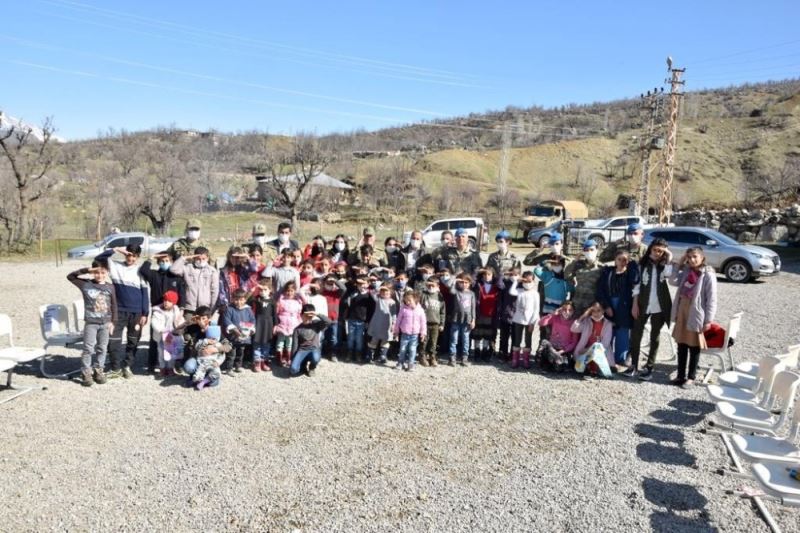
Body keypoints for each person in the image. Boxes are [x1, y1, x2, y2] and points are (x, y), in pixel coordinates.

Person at [669, 247, 718, 389]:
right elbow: (672, 281)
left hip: (696, 313)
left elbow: (712, 299)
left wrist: (708, 320)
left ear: (702, 257)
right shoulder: (686, 270)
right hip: (682, 309)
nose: (692, 259)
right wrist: (680, 263)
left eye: (695, 256)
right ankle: (680, 375)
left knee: (694, 346)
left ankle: (691, 377)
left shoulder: (707, 274)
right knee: (681, 344)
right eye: (689, 257)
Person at [99, 244, 150, 379]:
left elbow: (145, 293)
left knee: (133, 341)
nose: (130, 258)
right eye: (128, 254)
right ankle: (115, 368)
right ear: (124, 254)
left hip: (136, 313)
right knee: (113, 340)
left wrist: (145, 313)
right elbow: (99, 258)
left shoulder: (140, 271)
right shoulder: (115, 266)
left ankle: (127, 366)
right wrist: (115, 250)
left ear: (138, 257)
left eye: (134, 256)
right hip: (118, 312)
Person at [627, 238, 674, 380]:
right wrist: (634, 304)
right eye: (655, 250)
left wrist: (669, 257)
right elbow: (636, 286)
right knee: (636, 334)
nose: (657, 253)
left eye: (661, 251)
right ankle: (633, 365)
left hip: (659, 306)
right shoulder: (641, 264)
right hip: (642, 304)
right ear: (650, 249)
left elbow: (669, 275)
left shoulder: (664, 265)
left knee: (655, 336)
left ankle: (649, 367)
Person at [67, 262, 118, 386]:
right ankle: (86, 372)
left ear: (107, 273)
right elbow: (70, 277)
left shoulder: (110, 287)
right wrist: (87, 270)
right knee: (88, 348)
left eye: (102, 272)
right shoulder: (86, 284)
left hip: (105, 323)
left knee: (102, 348)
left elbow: (114, 305)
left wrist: (113, 322)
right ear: (92, 272)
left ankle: (99, 370)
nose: (99, 275)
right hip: (91, 323)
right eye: (96, 272)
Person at [139, 252, 185, 373]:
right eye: (161, 261)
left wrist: (181, 310)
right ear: (158, 262)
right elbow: (143, 270)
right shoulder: (154, 274)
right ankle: (152, 363)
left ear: (171, 261)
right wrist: (151, 257)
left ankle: (172, 365)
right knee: (155, 339)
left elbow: (182, 294)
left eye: (166, 261)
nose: (164, 263)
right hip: (158, 312)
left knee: (173, 339)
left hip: (172, 312)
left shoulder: (176, 276)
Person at [596, 250, 640, 370]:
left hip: (624, 307)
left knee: (622, 333)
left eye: (625, 259)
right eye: (619, 259)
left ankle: (620, 360)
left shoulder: (630, 273)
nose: (622, 262)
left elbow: (636, 281)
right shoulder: (608, 272)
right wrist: (606, 306)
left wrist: (632, 265)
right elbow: (600, 290)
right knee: (607, 332)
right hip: (609, 303)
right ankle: (606, 358)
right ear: (615, 260)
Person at [170, 247, 220, 321]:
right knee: (189, 330)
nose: (201, 261)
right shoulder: (187, 268)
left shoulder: (212, 271)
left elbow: (214, 291)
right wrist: (183, 258)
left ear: (207, 258)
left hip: (205, 308)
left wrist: (212, 309)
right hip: (190, 308)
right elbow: (173, 269)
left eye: (203, 259)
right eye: (198, 259)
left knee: (203, 331)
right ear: (194, 258)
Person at [571, 302, 615, 378]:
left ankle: (604, 371)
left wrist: (587, 350)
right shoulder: (587, 321)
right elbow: (573, 329)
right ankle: (589, 370)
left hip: (601, 355)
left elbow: (605, 344)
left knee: (597, 345)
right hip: (585, 356)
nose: (596, 313)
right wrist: (583, 316)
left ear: (603, 311)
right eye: (593, 311)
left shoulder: (608, 324)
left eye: (599, 310)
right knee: (578, 369)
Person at [508, 271, 540, 369]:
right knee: (517, 339)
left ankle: (526, 359)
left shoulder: (535, 293)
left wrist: (532, 323)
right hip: (518, 319)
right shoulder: (520, 290)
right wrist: (516, 281)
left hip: (529, 321)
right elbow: (511, 291)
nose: (528, 282)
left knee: (528, 339)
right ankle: (515, 359)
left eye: (530, 280)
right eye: (526, 280)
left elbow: (536, 309)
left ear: (533, 281)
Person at [290, 304, 332, 377]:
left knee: (316, 358)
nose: (307, 317)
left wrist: (317, 314)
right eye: (305, 315)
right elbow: (294, 346)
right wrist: (293, 359)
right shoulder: (297, 329)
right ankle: (303, 364)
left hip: (314, 348)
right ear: (301, 315)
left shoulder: (316, 324)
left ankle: (312, 367)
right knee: (293, 370)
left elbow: (328, 322)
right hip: (302, 350)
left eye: (310, 315)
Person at [564, 239, 603, 317]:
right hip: (577, 303)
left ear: (597, 250)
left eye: (592, 249)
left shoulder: (601, 267)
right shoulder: (578, 265)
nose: (589, 252)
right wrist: (575, 261)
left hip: (591, 305)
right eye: (586, 250)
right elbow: (566, 275)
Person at [150, 290, 184, 378]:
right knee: (161, 352)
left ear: (173, 303)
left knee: (172, 353)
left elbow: (181, 321)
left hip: (172, 336)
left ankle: (170, 368)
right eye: (165, 300)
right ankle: (162, 368)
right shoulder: (157, 311)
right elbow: (154, 323)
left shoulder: (176, 311)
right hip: (161, 336)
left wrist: (180, 324)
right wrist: (161, 330)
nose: (166, 302)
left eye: (169, 301)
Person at [537, 301, 578, 372]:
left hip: (563, 351)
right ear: (561, 310)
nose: (567, 312)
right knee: (544, 342)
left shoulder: (574, 323)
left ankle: (553, 363)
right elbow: (541, 323)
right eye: (564, 309)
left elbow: (574, 342)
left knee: (558, 367)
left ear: (573, 311)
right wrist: (552, 314)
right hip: (552, 347)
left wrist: (562, 351)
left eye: (570, 310)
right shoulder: (555, 318)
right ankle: (548, 362)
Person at [446, 273, 477, 366]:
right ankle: (452, 357)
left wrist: (473, 320)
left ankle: (464, 357)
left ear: (470, 283)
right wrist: (455, 279)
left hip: (467, 320)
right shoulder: (456, 291)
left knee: (465, 339)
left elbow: (473, 308)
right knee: (454, 339)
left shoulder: (472, 294)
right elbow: (450, 288)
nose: (464, 284)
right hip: (456, 319)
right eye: (462, 282)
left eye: (466, 282)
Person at [222, 288, 256, 373]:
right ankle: (229, 368)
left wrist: (251, 329)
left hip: (244, 336)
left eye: (241, 300)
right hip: (233, 336)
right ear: (233, 299)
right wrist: (234, 329)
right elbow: (226, 320)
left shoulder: (248, 309)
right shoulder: (230, 309)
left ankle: (238, 366)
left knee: (241, 352)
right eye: (236, 299)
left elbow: (252, 320)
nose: (239, 302)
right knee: (231, 353)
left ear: (245, 299)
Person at [274, 281, 305, 367]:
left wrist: (300, 324)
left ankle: (288, 358)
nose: (289, 293)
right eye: (287, 291)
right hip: (282, 324)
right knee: (280, 343)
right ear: (284, 291)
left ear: (295, 291)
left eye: (291, 291)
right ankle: (279, 359)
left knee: (289, 343)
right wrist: (276, 325)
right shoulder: (281, 301)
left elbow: (299, 314)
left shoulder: (298, 302)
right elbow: (277, 313)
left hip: (293, 325)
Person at [394, 291, 427, 371]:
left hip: (415, 335)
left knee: (412, 350)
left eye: (409, 300)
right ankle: (400, 363)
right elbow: (398, 320)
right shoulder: (403, 309)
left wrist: (423, 333)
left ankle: (410, 364)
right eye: (406, 300)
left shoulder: (420, 310)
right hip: (405, 333)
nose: (407, 302)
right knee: (402, 349)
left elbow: (423, 323)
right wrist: (396, 331)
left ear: (415, 300)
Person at [472, 268, 500, 362]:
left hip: (490, 315)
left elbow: (501, 281)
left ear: (492, 275)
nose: (486, 276)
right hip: (479, 314)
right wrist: (479, 271)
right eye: (484, 275)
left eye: (489, 274)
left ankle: (485, 351)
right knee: (478, 334)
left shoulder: (496, 286)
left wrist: (496, 276)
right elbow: (473, 279)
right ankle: (477, 351)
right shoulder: (478, 285)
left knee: (487, 334)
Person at [367, 285, 398, 364]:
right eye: (383, 291)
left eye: (387, 291)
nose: (385, 293)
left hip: (387, 323)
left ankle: (383, 356)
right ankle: (370, 356)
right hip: (377, 323)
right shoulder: (378, 300)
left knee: (385, 340)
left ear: (390, 293)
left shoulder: (392, 302)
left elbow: (394, 314)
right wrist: (380, 287)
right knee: (374, 339)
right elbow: (372, 292)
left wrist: (394, 323)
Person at [419, 275, 445, 367]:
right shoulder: (423, 294)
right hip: (424, 322)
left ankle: (432, 356)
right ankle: (422, 356)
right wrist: (426, 283)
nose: (431, 287)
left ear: (437, 286)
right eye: (429, 285)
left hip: (435, 323)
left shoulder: (439, 296)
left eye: (433, 285)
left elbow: (442, 311)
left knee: (433, 341)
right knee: (424, 341)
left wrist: (442, 323)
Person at [251, 278, 276, 373]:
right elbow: (249, 298)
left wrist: (275, 325)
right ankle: (257, 362)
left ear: (270, 290)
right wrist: (255, 288)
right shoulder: (257, 299)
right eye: (261, 290)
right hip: (258, 323)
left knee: (267, 343)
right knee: (257, 343)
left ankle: (264, 361)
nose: (263, 292)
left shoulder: (273, 301)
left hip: (268, 324)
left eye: (265, 289)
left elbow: (274, 315)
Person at [320, 275, 347, 361]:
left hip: (333, 319)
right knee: (322, 337)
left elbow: (344, 288)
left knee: (333, 338)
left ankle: (333, 353)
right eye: (328, 282)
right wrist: (324, 281)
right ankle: (319, 352)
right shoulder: (322, 292)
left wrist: (335, 281)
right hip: (323, 319)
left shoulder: (337, 293)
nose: (330, 284)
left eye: (332, 283)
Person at [496, 268, 520, 362]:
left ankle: (513, 354)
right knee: (504, 336)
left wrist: (520, 279)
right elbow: (498, 283)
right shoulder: (505, 283)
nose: (514, 276)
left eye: (516, 274)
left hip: (517, 315)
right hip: (505, 313)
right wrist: (504, 273)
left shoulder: (521, 285)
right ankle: (503, 354)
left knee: (515, 336)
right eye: (512, 274)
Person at [191, 325, 226, 390]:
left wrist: (218, 362)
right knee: (198, 376)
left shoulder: (219, 345)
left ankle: (204, 382)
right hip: (202, 362)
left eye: (214, 338)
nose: (212, 340)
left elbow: (222, 355)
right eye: (210, 338)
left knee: (216, 373)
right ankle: (197, 381)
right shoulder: (202, 341)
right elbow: (197, 347)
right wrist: (206, 341)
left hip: (213, 363)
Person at [218, 246, 251, 311]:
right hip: (229, 303)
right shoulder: (223, 272)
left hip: (242, 302)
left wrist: (247, 258)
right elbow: (221, 289)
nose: (234, 259)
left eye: (237, 257)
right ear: (229, 257)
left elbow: (254, 269)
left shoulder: (244, 270)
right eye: (232, 257)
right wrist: (224, 303)